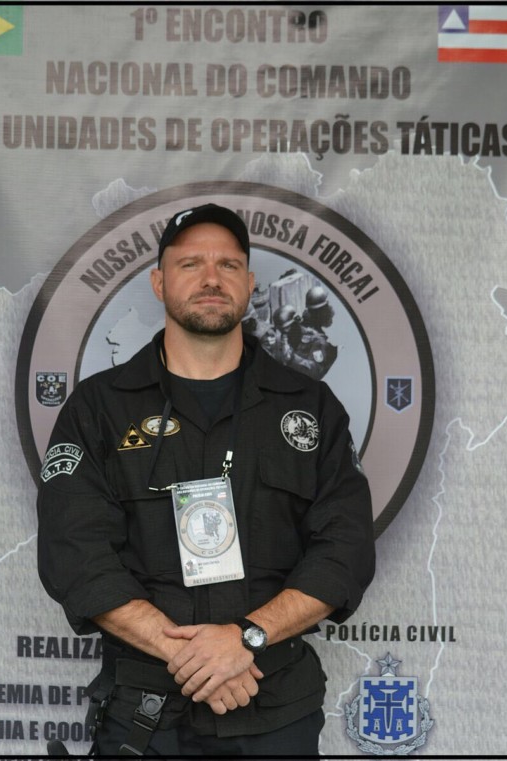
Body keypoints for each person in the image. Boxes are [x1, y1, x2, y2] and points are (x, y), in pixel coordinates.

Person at [37, 203, 375, 756]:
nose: (211, 279)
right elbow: (76, 553)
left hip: (275, 711)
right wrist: (197, 657)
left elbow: (346, 549)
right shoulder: (97, 408)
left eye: (229, 265)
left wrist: (246, 638)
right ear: (159, 282)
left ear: (249, 283)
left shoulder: (311, 408)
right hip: (145, 719)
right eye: (190, 264)